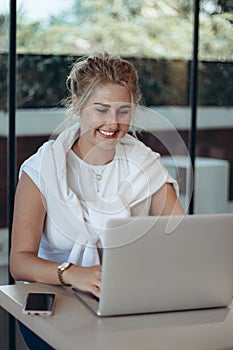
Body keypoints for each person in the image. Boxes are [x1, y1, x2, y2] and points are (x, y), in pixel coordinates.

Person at [10, 54, 184, 336]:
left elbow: (183, 238)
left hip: (127, 301)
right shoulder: (42, 168)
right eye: (101, 110)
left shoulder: (146, 163)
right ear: (78, 102)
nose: (113, 123)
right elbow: (19, 261)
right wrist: (71, 273)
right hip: (58, 304)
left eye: (123, 111)